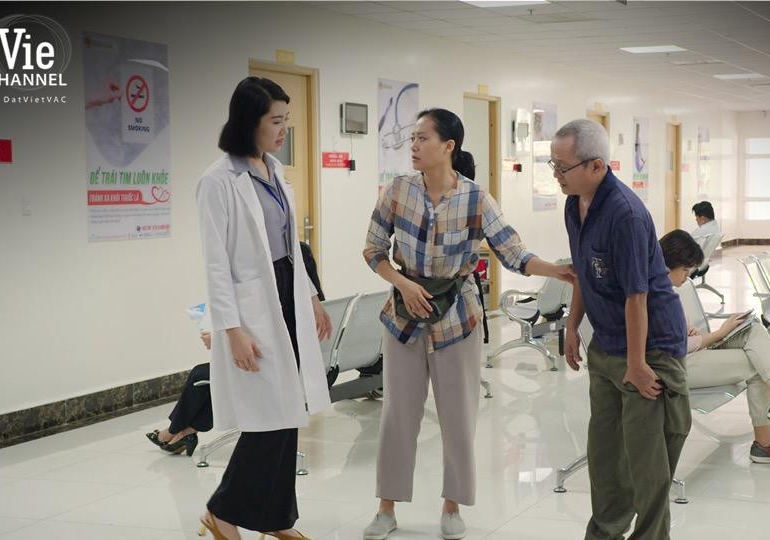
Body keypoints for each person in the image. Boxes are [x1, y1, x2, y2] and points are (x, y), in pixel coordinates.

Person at [361, 108, 574, 540]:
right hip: (404, 318)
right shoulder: (398, 191)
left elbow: (513, 252)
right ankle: (386, 507)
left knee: (458, 417)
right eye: (412, 138)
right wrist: (403, 283)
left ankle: (452, 505)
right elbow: (373, 249)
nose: (414, 146)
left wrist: (558, 271)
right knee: (398, 416)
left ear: (448, 146)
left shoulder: (477, 199)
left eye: (422, 138)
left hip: (458, 317)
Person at [196, 77, 334, 540]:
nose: (283, 130)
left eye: (286, 120)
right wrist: (231, 329)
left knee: (289, 411)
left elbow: (292, 245)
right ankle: (221, 511)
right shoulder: (218, 181)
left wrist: (311, 297)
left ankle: (276, 518)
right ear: (248, 121)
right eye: (275, 121)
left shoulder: (275, 170)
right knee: (268, 418)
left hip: (287, 293)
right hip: (253, 307)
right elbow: (216, 264)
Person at [556, 119, 688, 540]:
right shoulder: (574, 205)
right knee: (606, 457)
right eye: (553, 165)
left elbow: (637, 296)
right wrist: (572, 326)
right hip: (608, 343)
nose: (556, 175)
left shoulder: (625, 214)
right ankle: (605, 533)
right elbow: (582, 272)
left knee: (647, 464)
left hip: (650, 348)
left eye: (562, 167)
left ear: (596, 166)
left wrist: (637, 364)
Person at [146, 243, 326, 458]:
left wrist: (221, 342)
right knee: (213, 374)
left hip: (271, 362)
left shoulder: (265, 266)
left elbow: (271, 331)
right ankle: (184, 431)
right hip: (294, 359)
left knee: (202, 375)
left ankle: (175, 430)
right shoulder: (300, 259)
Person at [660, 230, 770, 464]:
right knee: (758, 365)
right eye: (685, 271)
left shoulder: (666, 289)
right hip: (677, 365)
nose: (687, 277)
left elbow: (675, 332)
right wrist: (720, 333)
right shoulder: (656, 294)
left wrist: (688, 328)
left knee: (753, 329)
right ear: (667, 265)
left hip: (691, 352)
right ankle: (765, 443)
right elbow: (676, 347)